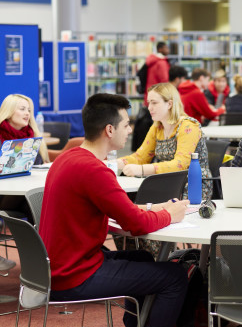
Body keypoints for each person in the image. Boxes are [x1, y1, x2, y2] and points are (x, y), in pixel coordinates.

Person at [39, 93, 190, 327]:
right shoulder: (95, 170)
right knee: (175, 278)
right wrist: (169, 214)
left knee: (143, 257)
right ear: (110, 130)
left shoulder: (68, 158)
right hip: (74, 276)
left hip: (55, 267)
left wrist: (153, 207)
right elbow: (136, 225)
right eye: (126, 125)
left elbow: (110, 208)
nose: (130, 130)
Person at [119, 82, 212, 200]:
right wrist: (112, 164)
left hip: (192, 185)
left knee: (139, 201)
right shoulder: (157, 126)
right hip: (167, 181)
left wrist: (141, 170)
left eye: (154, 103)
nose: (149, 108)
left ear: (169, 104)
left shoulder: (188, 126)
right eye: (149, 103)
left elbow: (180, 164)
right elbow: (140, 157)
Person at [0, 94, 50, 271]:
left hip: (23, 193)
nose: (27, 113)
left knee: (40, 203)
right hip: (3, 195)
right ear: (9, 111)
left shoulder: (32, 137)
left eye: (29, 110)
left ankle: (42, 260)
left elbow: (37, 166)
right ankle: (40, 262)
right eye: (22, 109)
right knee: (36, 204)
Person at [144, 41, 171, 106]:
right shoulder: (161, 62)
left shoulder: (152, 60)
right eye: (166, 48)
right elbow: (164, 80)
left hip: (150, 91)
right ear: (160, 49)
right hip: (159, 94)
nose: (168, 50)